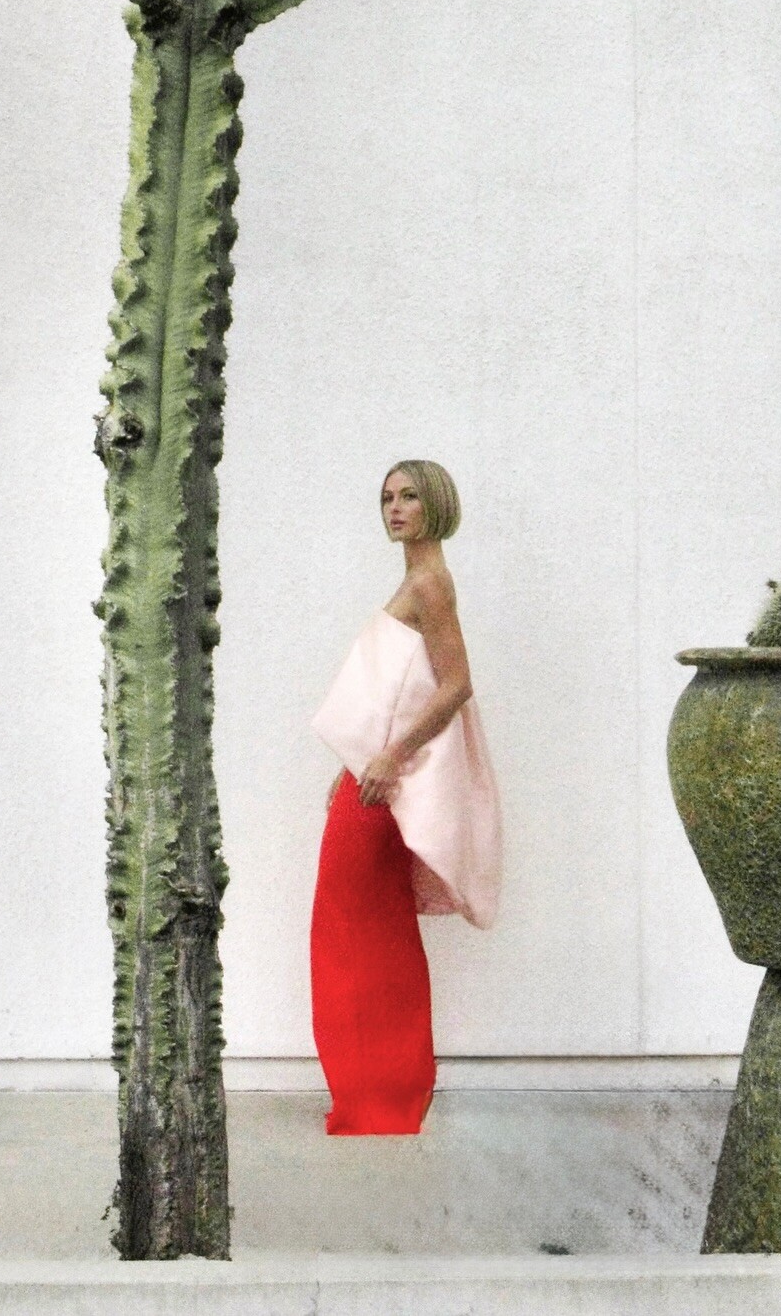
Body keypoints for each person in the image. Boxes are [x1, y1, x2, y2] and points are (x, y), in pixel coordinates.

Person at [309, 460, 502, 1135]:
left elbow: (457, 683)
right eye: (388, 496)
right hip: (370, 780)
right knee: (370, 927)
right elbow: (400, 690)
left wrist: (390, 757)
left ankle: (378, 1098)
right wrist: (357, 762)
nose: (395, 507)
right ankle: (392, 1088)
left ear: (435, 504)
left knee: (353, 931)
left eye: (410, 496)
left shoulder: (429, 583)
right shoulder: (420, 579)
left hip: (383, 785)